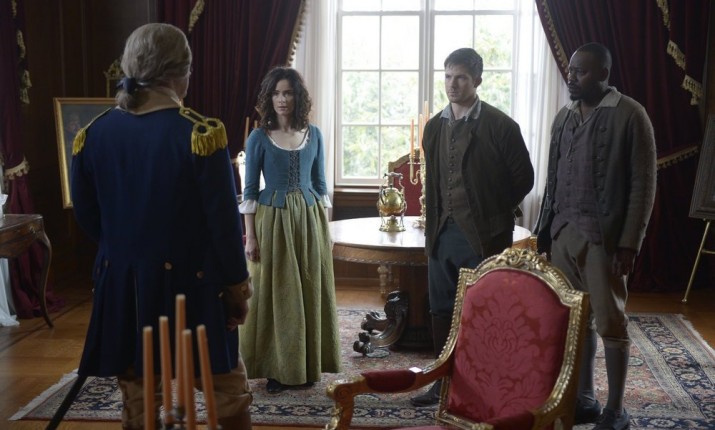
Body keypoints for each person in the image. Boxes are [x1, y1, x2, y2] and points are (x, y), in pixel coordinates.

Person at [70, 23, 253, 429]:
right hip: (195, 287)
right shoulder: (200, 133)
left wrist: (131, 250)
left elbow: (89, 217)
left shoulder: (92, 134)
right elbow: (225, 228)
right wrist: (237, 291)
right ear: (180, 73)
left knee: (139, 396)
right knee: (225, 387)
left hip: (125, 288)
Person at [535, 42, 657, 430]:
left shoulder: (631, 114)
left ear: (603, 73)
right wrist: (544, 230)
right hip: (562, 233)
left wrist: (629, 243)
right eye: (570, 71)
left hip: (605, 240)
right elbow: (553, 179)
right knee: (575, 321)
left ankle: (616, 410)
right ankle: (585, 399)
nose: (571, 77)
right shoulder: (562, 117)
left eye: (581, 71)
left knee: (610, 322)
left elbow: (643, 185)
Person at [413, 47, 535, 407]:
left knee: (484, 309)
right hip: (442, 232)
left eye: (461, 78)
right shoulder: (434, 127)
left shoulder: (500, 125)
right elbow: (434, 180)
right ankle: (442, 382)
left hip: (485, 234)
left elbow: (524, 179)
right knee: (441, 307)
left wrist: (493, 209)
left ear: (477, 81)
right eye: (448, 76)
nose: (453, 84)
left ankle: (482, 385)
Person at [239, 66, 341, 394]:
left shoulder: (315, 134)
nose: (282, 99)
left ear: (298, 97)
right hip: (273, 221)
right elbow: (249, 191)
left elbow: (321, 185)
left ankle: (307, 365)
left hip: (309, 220)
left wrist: (326, 230)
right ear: (269, 98)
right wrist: (251, 236)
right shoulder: (259, 138)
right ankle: (276, 368)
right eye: (276, 93)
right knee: (278, 293)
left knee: (310, 289)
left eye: (288, 93)